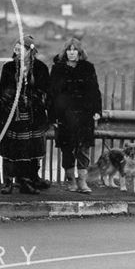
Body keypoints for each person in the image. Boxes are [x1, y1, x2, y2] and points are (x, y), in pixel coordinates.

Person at [0, 36, 50, 194]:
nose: (17, 51)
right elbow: (2, 91)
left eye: (21, 49)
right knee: (12, 148)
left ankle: (29, 180)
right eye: (16, 49)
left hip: (33, 115)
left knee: (32, 148)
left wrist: (34, 99)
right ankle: (10, 182)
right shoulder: (9, 68)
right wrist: (11, 100)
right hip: (14, 115)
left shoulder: (40, 67)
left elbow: (45, 91)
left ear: (30, 51)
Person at [49, 37, 102, 194]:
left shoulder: (87, 68)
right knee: (67, 149)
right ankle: (71, 181)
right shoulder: (58, 69)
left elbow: (95, 91)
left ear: (79, 52)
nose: (71, 53)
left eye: (74, 50)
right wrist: (53, 117)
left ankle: (82, 182)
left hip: (84, 115)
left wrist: (97, 111)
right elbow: (52, 94)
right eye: (69, 50)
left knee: (83, 149)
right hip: (64, 116)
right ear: (65, 52)